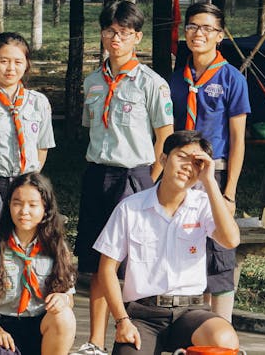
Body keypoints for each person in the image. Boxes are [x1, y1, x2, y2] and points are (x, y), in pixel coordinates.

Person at [74, 1, 174, 355]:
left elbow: (165, 138)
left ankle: (136, 334)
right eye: (110, 32)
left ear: (138, 37)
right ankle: (94, 342)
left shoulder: (152, 83)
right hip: (98, 175)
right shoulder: (92, 81)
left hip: (136, 176)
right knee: (99, 262)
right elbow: (92, 129)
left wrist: (150, 180)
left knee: (133, 262)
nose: (116, 39)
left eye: (124, 33)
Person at [94, 131, 240, 355]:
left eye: (197, 162)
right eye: (181, 156)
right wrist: (122, 320)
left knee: (223, 339)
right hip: (143, 314)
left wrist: (209, 181)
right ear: (163, 159)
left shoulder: (203, 204)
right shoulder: (130, 207)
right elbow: (106, 269)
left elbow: (230, 240)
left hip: (192, 312)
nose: (188, 166)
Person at [167, 2, 250, 321]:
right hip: (177, 175)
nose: (197, 34)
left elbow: (238, 140)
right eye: (191, 27)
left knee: (218, 250)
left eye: (206, 28)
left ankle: (222, 329)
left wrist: (229, 192)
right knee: (184, 243)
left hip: (213, 176)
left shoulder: (232, 79)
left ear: (220, 35)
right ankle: (192, 324)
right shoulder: (176, 78)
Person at [0, 32, 56, 238]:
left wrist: (30, 181)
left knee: (25, 242)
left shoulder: (38, 102)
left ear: (26, 64)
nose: (10, 68)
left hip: (27, 187)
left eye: (17, 61)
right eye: (3, 61)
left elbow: (42, 147)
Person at [0, 173, 76, 355]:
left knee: (65, 316)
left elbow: (69, 296)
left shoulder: (57, 248)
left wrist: (64, 299)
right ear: (9, 206)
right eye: (17, 203)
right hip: (3, 327)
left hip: (42, 326)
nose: (24, 211)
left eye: (33, 205)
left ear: (46, 208)